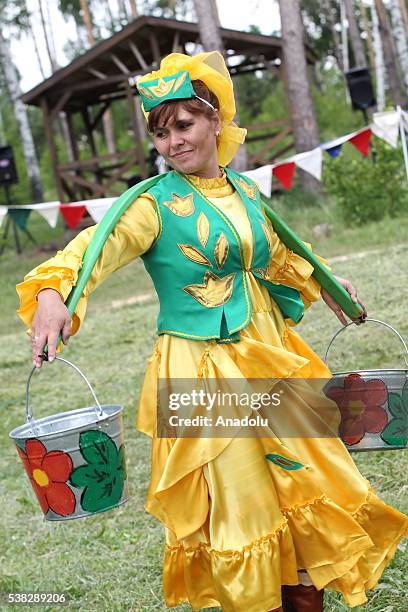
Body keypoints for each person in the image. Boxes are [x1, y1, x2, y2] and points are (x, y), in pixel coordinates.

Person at [16, 52, 407, 612]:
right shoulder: (150, 205)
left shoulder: (245, 191)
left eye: (184, 124)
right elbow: (90, 251)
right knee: (242, 506)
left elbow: (279, 255)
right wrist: (53, 292)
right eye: (161, 131)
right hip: (201, 370)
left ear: (215, 120)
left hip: (268, 356)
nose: (173, 141)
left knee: (305, 482)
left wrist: (326, 281)